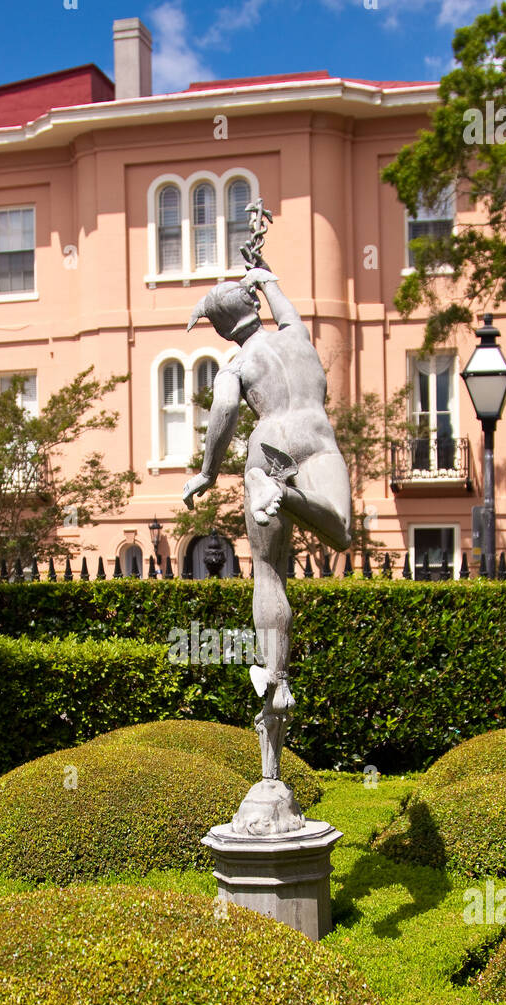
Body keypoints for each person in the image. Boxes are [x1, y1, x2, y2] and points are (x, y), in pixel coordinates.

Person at [184, 266, 352, 797]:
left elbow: (226, 411)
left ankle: (275, 682)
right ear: (255, 306)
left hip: (269, 445)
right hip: (317, 438)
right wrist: (267, 277)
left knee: (269, 574)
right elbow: (285, 307)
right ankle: (293, 496)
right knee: (342, 533)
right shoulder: (298, 336)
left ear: (219, 328)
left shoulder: (238, 363)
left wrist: (210, 472)